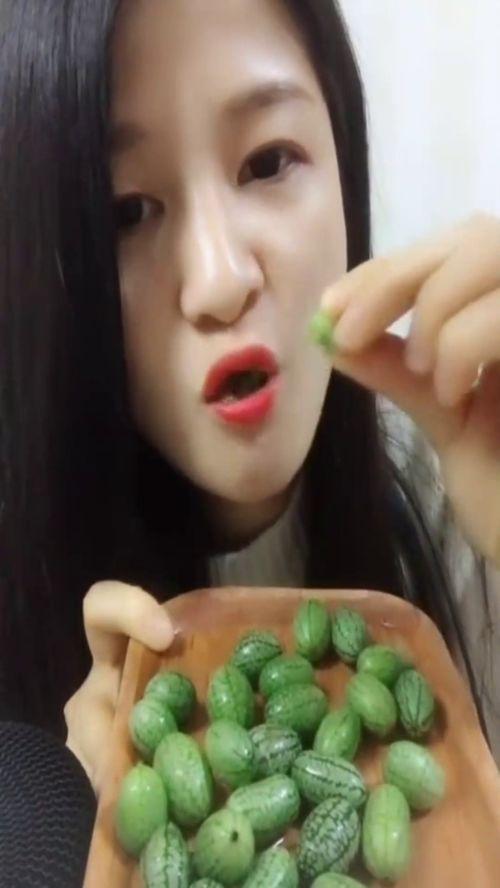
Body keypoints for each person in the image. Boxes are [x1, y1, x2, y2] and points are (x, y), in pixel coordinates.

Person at [0, 0, 498, 797]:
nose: (221, 280)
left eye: (267, 162)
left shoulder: (453, 497)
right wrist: (62, 824)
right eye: (126, 212)